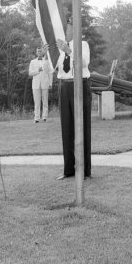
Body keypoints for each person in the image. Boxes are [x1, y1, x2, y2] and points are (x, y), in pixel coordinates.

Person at [54, 18, 91, 179]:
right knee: (67, 129)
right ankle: (68, 169)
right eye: (66, 27)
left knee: (82, 128)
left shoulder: (82, 45)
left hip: (80, 85)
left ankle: (85, 170)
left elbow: (83, 63)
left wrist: (69, 51)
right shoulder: (60, 48)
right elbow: (55, 70)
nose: (67, 30)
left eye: (69, 27)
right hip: (65, 86)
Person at [28, 46, 54, 123]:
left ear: (42, 52)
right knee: (37, 102)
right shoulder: (32, 62)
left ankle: (44, 117)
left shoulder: (47, 61)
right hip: (35, 84)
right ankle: (36, 118)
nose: (39, 52)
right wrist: (38, 70)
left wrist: (50, 83)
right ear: (36, 52)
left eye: (40, 51)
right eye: (38, 51)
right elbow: (30, 73)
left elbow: (50, 73)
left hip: (45, 83)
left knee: (45, 101)